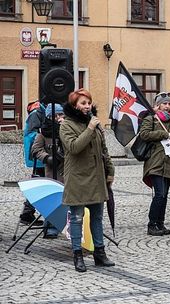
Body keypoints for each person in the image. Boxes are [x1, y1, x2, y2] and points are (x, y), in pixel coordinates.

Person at [60, 88, 115, 272]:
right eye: (83, 103)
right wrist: (90, 128)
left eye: (88, 102)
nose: (87, 106)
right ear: (75, 105)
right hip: (77, 178)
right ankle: (77, 255)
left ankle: (100, 253)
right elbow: (74, 147)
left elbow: (103, 149)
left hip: (97, 177)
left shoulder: (95, 123)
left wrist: (110, 170)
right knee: (76, 218)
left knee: (97, 218)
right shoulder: (66, 125)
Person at [140, 92, 170, 236]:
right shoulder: (151, 119)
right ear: (158, 105)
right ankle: (152, 224)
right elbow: (144, 135)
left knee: (165, 195)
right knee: (160, 194)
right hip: (155, 162)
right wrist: (162, 134)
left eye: (169, 104)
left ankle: (160, 223)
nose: (167, 106)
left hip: (169, 162)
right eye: (164, 103)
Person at [31, 103, 66, 239]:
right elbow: (36, 150)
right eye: (54, 115)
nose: (57, 118)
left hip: (68, 169)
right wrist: (47, 158)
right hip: (53, 171)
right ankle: (51, 226)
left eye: (60, 114)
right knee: (54, 200)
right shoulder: (43, 133)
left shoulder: (67, 129)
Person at [20, 99, 46, 225]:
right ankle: (27, 213)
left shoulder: (39, 111)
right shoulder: (36, 113)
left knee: (40, 184)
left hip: (42, 156)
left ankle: (28, 212)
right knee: (39, 184)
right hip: (40, 156)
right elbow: (31, 134)